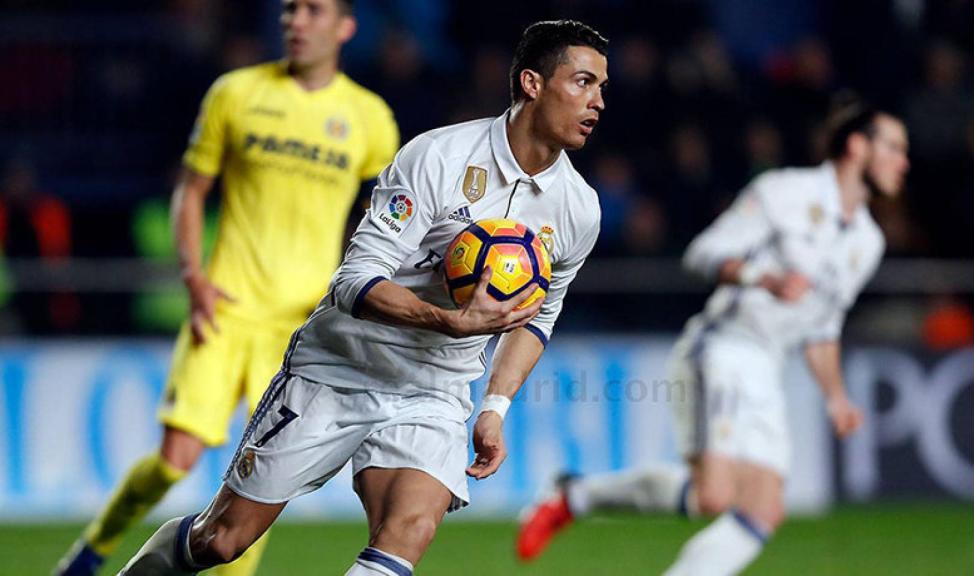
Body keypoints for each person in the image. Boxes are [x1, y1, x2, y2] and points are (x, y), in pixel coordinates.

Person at [115, 19, 607, 575]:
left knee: (409, 530)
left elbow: (536, 318)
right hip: (340, 365)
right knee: (222, 540)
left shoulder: (578, 209)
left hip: (434, 388)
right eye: (584, 82)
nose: (597, 102)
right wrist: (447, 321)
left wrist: (494, 407)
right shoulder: (437, 158)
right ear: (532, 83)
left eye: (601, 89)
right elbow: (353, 281)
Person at [56, 0, 399, 574]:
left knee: (262, 475)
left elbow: (383, 221)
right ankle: (92, 549)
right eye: (290, 10)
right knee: (173, 462)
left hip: (302, 328)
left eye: (313, 10)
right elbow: (190, 190)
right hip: (226, 308)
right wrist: (193, 277)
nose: (296, 21)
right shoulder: (236, 94)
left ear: (344, 28)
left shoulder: (370, 119)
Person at [517, 98, 910, 576]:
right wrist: (761, 277)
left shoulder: (867, 242)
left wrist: (835, 396)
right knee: (715, 495)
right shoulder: (784, 192)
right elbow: (702, 253)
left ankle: (574, 495)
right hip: (724, 347)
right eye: (892, 146)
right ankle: (573, 495)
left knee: (763, 509)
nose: (902, 161)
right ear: (856, 145)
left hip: (768, 366)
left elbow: (822, 327)